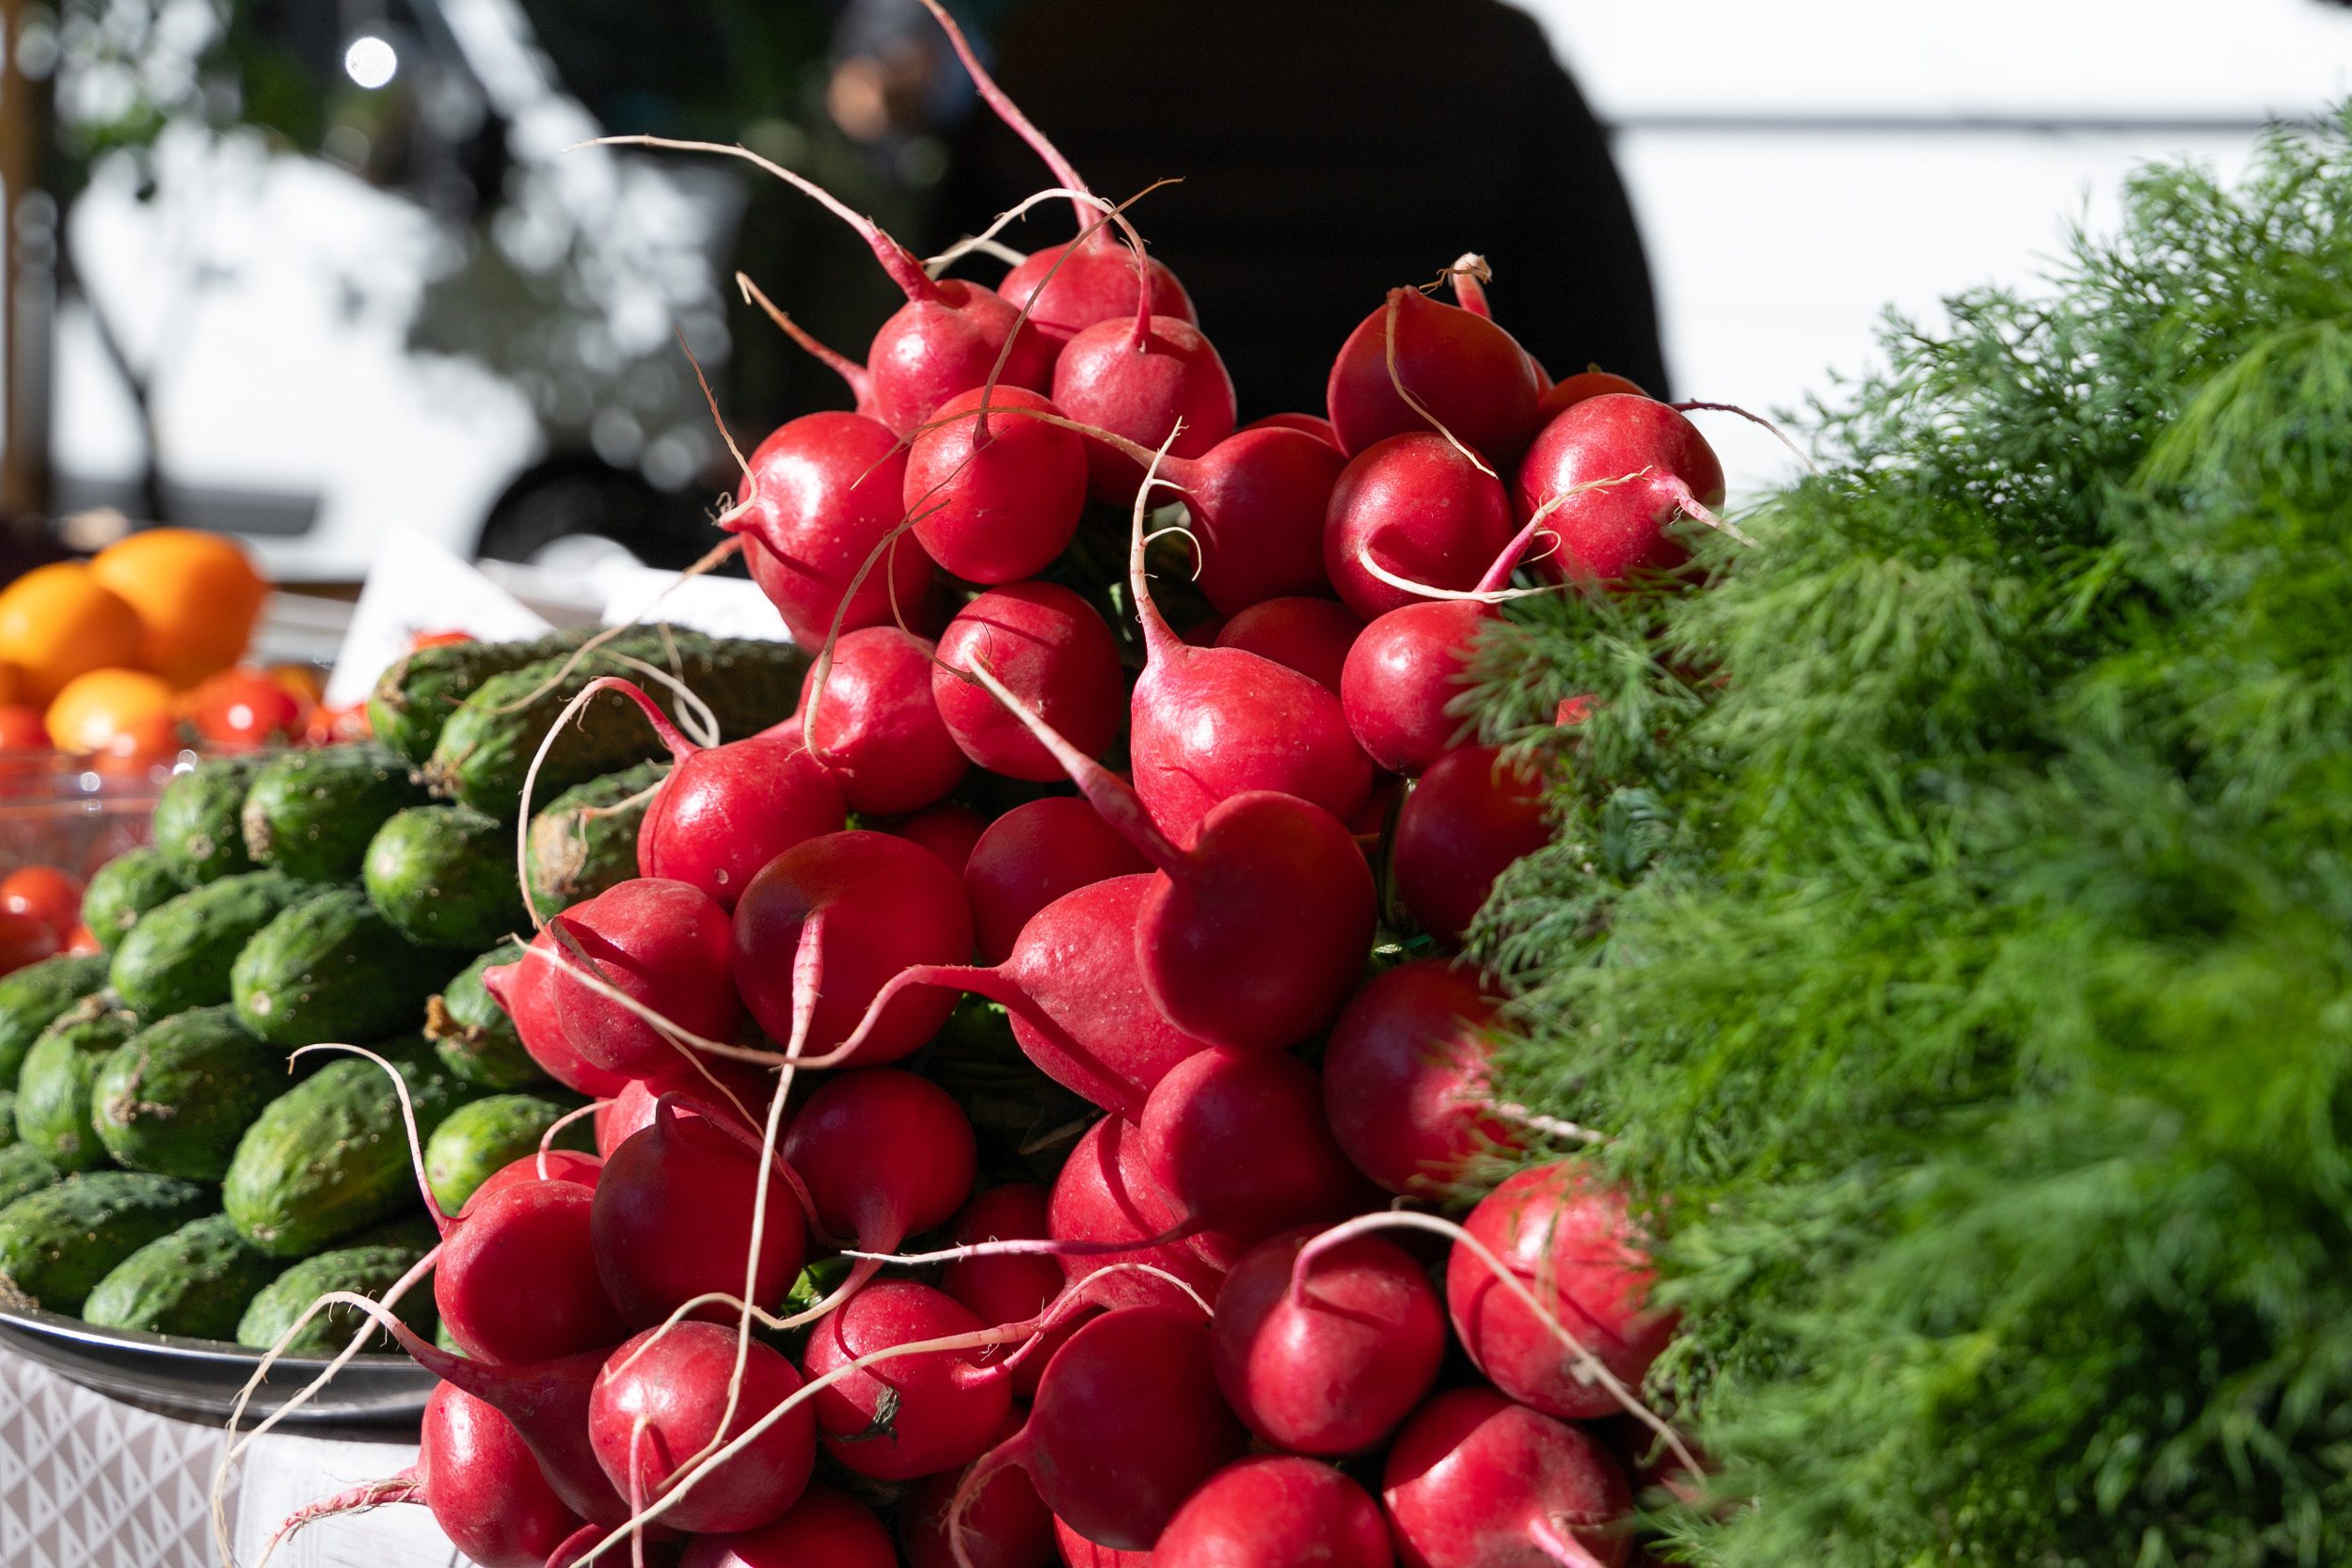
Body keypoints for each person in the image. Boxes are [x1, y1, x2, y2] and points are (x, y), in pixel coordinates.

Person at [930, 0, 1668, 417]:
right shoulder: (1489, 53)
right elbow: (1616, 383)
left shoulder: (1047, 52)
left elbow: (951, 364)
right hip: (1445, 580)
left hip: (1104, 585)